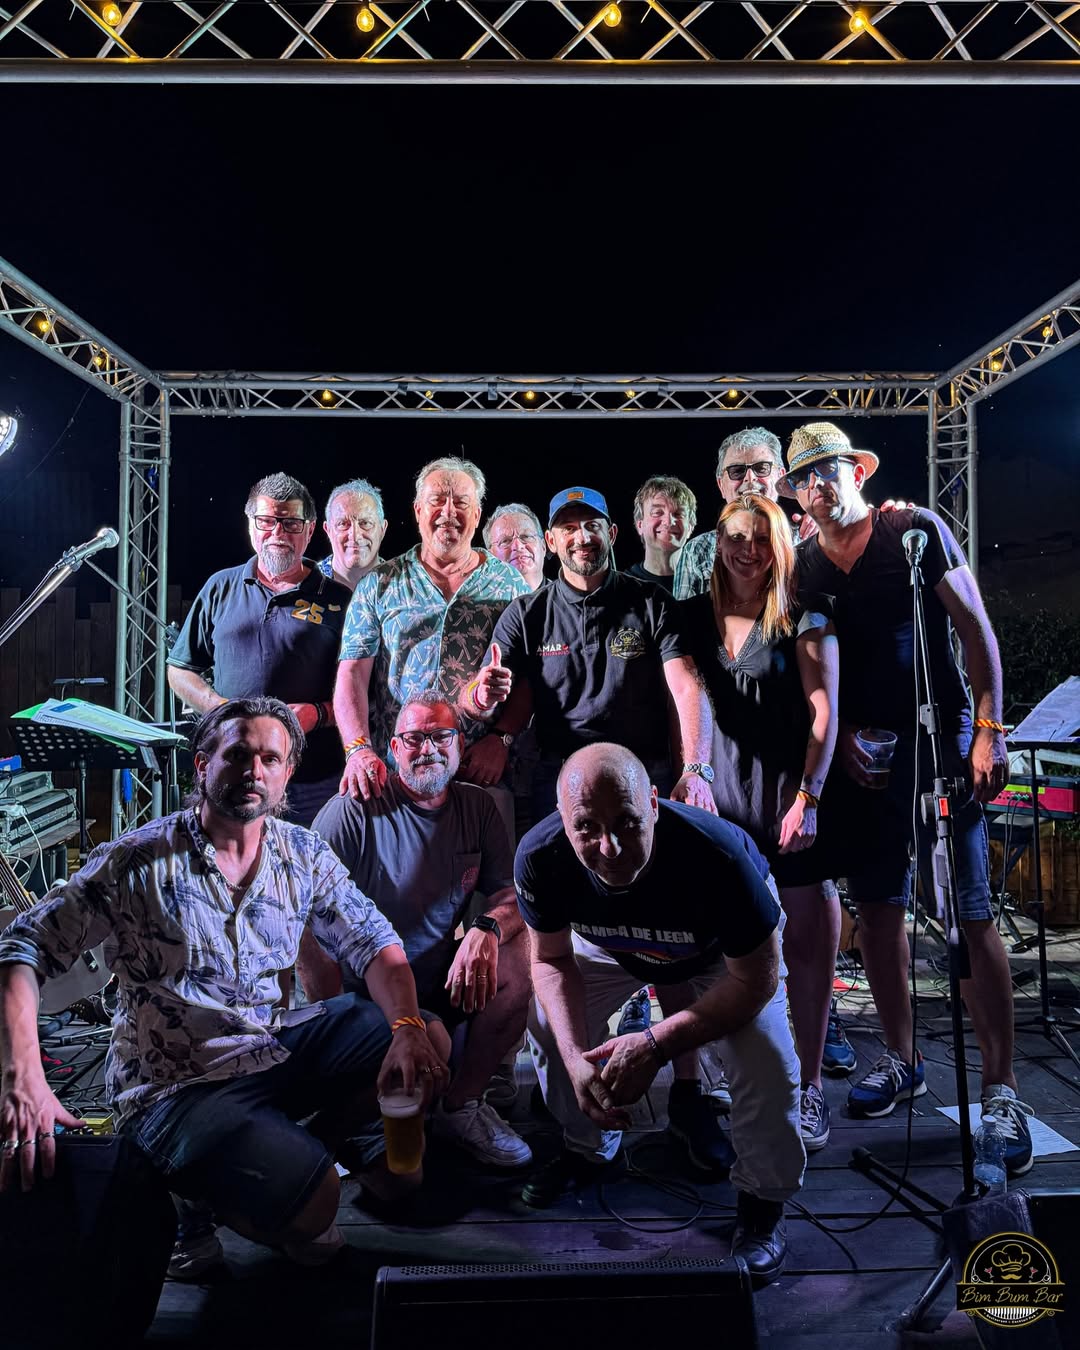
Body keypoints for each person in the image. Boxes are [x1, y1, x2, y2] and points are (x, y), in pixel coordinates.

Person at [0, 698, 446, 1266]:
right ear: (203, 765)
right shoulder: (138, 860)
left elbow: (376, 942)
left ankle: (301, 1150)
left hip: (266, 1048)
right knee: (316, 1210)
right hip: (174, 1087)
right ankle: (192, 1199)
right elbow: (20, 948)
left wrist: (406, 1027)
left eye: (269, 758)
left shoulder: (301, 852)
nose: (253, 770)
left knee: (427, 1040)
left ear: (287, 773)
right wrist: (23, 1077)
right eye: (237, 755)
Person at [783, 421, 1032, 1174]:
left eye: (828, 469)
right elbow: (816, 679)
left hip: (941, 743)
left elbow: (976, 630)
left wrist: (988, 729)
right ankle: (902, 1058)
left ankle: (1001, 1091)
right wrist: (843, 743)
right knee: (878, 911)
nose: (818, 485)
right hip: (868, 762)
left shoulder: (913, 531)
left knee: (968, 913)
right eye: (804, 477)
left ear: (856, 471)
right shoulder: (804, 566)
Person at [516, 744, 804, 1286]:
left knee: (767, 1060)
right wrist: (576, 1059)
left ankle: (764, 1200)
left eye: (627, 822)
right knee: (550, 1026)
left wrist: (654, 1044)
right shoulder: (540, 855)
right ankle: (589, 1147)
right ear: (561, 819)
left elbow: (756, 980)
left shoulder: (717, 855)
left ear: (653, 803)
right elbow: (551, 959)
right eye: (587, 827)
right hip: (612, 944)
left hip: (720, 955)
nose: (610, 847)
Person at [306, 692, 532, 1168]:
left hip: (439, 980)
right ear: (393, 747)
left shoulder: (478, 807)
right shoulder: (353, 810)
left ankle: (462, 1106)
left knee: (522, 949)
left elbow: (509, 897)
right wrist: (331, 1019)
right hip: (369, 995)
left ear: (460, 745)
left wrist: (486, 928)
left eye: (440, 736)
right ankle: (341, 1119)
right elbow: (305, 923)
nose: (427, 749)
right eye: (413, 739)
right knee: (431, 1056)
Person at [681, 494, 840, 1151]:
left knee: (805, 946)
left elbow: (824, 711)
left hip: (787, 802)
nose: (748, 550)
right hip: (723, 807)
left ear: (779, 545)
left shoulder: (805, 613)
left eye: (760, 538)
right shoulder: (692, 615)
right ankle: (739, 1079)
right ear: (718, 542)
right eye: (736, 537)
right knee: (727, 952)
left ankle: (811, 1086)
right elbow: (686, 698)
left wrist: (811, 797)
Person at [466, 486, 718, 821]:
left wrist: (696, 770)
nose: (582, 537)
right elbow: (484, 696)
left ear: (611, 534)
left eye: (592, 526)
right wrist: (482, 696)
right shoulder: (525, 613)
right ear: (551, 541)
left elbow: (686, 687)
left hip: (644, 772)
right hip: (560, 775)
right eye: (568, 528)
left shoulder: (653, 602)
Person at [333, 456, 529, 803]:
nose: (448, 512)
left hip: (480, 775)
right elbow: (352, 675)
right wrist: (358, 750)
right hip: (397, 775)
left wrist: (502, 738)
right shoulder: (380, 583)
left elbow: (530, 675)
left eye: (461, 503)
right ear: (418, 510)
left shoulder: (510, 584)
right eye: (437, 500)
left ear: (477, 515)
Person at [167, 472, 351, 827]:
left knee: (311, 860)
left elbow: (364, 691)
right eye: (266, 521)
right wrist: (216, 706)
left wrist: (318, 714)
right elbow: (179, 669)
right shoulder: (221, 588)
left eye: (291, 523)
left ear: (310, 529)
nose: (278, 533)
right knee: (227, 860)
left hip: (314, 779)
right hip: (232, 772)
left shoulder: (339, 600)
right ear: (250, 524)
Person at [674, 427, 789, 600]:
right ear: (721, 485)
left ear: (780, 477)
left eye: (761, 468)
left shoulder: (808, 541)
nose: (750, 478)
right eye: (737, 471)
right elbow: (684, 616)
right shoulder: (696, 551)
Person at [626, 475, 696, 592]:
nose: (668, 521)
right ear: (640, 525)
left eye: (679, 514)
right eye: (657, 512)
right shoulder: (622, 587)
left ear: (690, 527)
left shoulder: (709, 585)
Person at [316, 477, 388, 590]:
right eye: (343, 524)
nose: (355, 536)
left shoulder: (406, 589)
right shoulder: (303, 586)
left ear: (382, 529)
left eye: (365, 523)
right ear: (328, 530)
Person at [484, 503, 546, 592]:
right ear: (490, 557)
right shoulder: (476, 601)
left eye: (526, 536)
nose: (518, 546)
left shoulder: (564, 599)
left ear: (543, 547)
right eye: (505, 541)